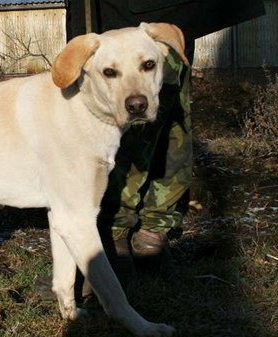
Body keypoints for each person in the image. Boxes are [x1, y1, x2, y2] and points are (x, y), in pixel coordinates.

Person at [66, 0, 266, 286]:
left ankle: (118, 240)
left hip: (134, 14)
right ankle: (150, 237)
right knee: (170, 120)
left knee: (132, 126)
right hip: (166, 10)